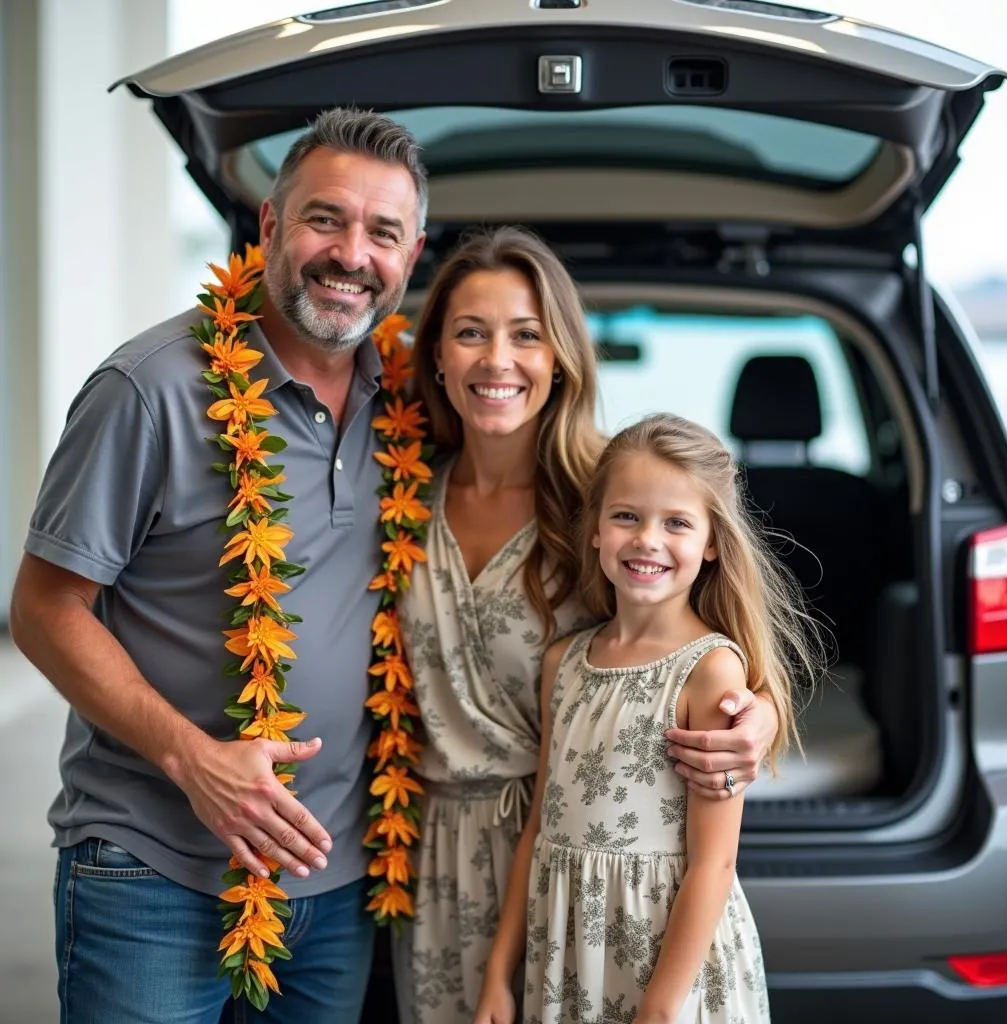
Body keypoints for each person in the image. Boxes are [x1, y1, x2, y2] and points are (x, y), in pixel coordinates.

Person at [8, 106, 429, 1023]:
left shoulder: (414, 400)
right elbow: (42, 610)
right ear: (271, 226)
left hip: (337, 878)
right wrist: (194, 760)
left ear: (412, 253)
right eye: (326, 218)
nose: (352, 254)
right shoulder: (150, 390)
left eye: (383, 232)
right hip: (151, 869)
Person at [391, 230, 782, 1024]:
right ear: (435, 354)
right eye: (471, 332)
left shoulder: (608, 494)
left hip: (591, 865)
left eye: (527, 334)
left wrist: (761, 714)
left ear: (562, 355)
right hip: (434, 848)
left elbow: (703, 636)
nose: (498, 359)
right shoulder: (395, 489)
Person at [474, 413, 823, 1024]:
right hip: (568, 957)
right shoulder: (564, 661)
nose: (647, 540)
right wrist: (500, 976)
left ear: (712, 542)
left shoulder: (709, 673)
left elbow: (713, 862)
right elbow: (538, 828)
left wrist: (660, 1008)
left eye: (677, 523)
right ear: (595, 531)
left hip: (667, 972)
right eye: (626, 516)